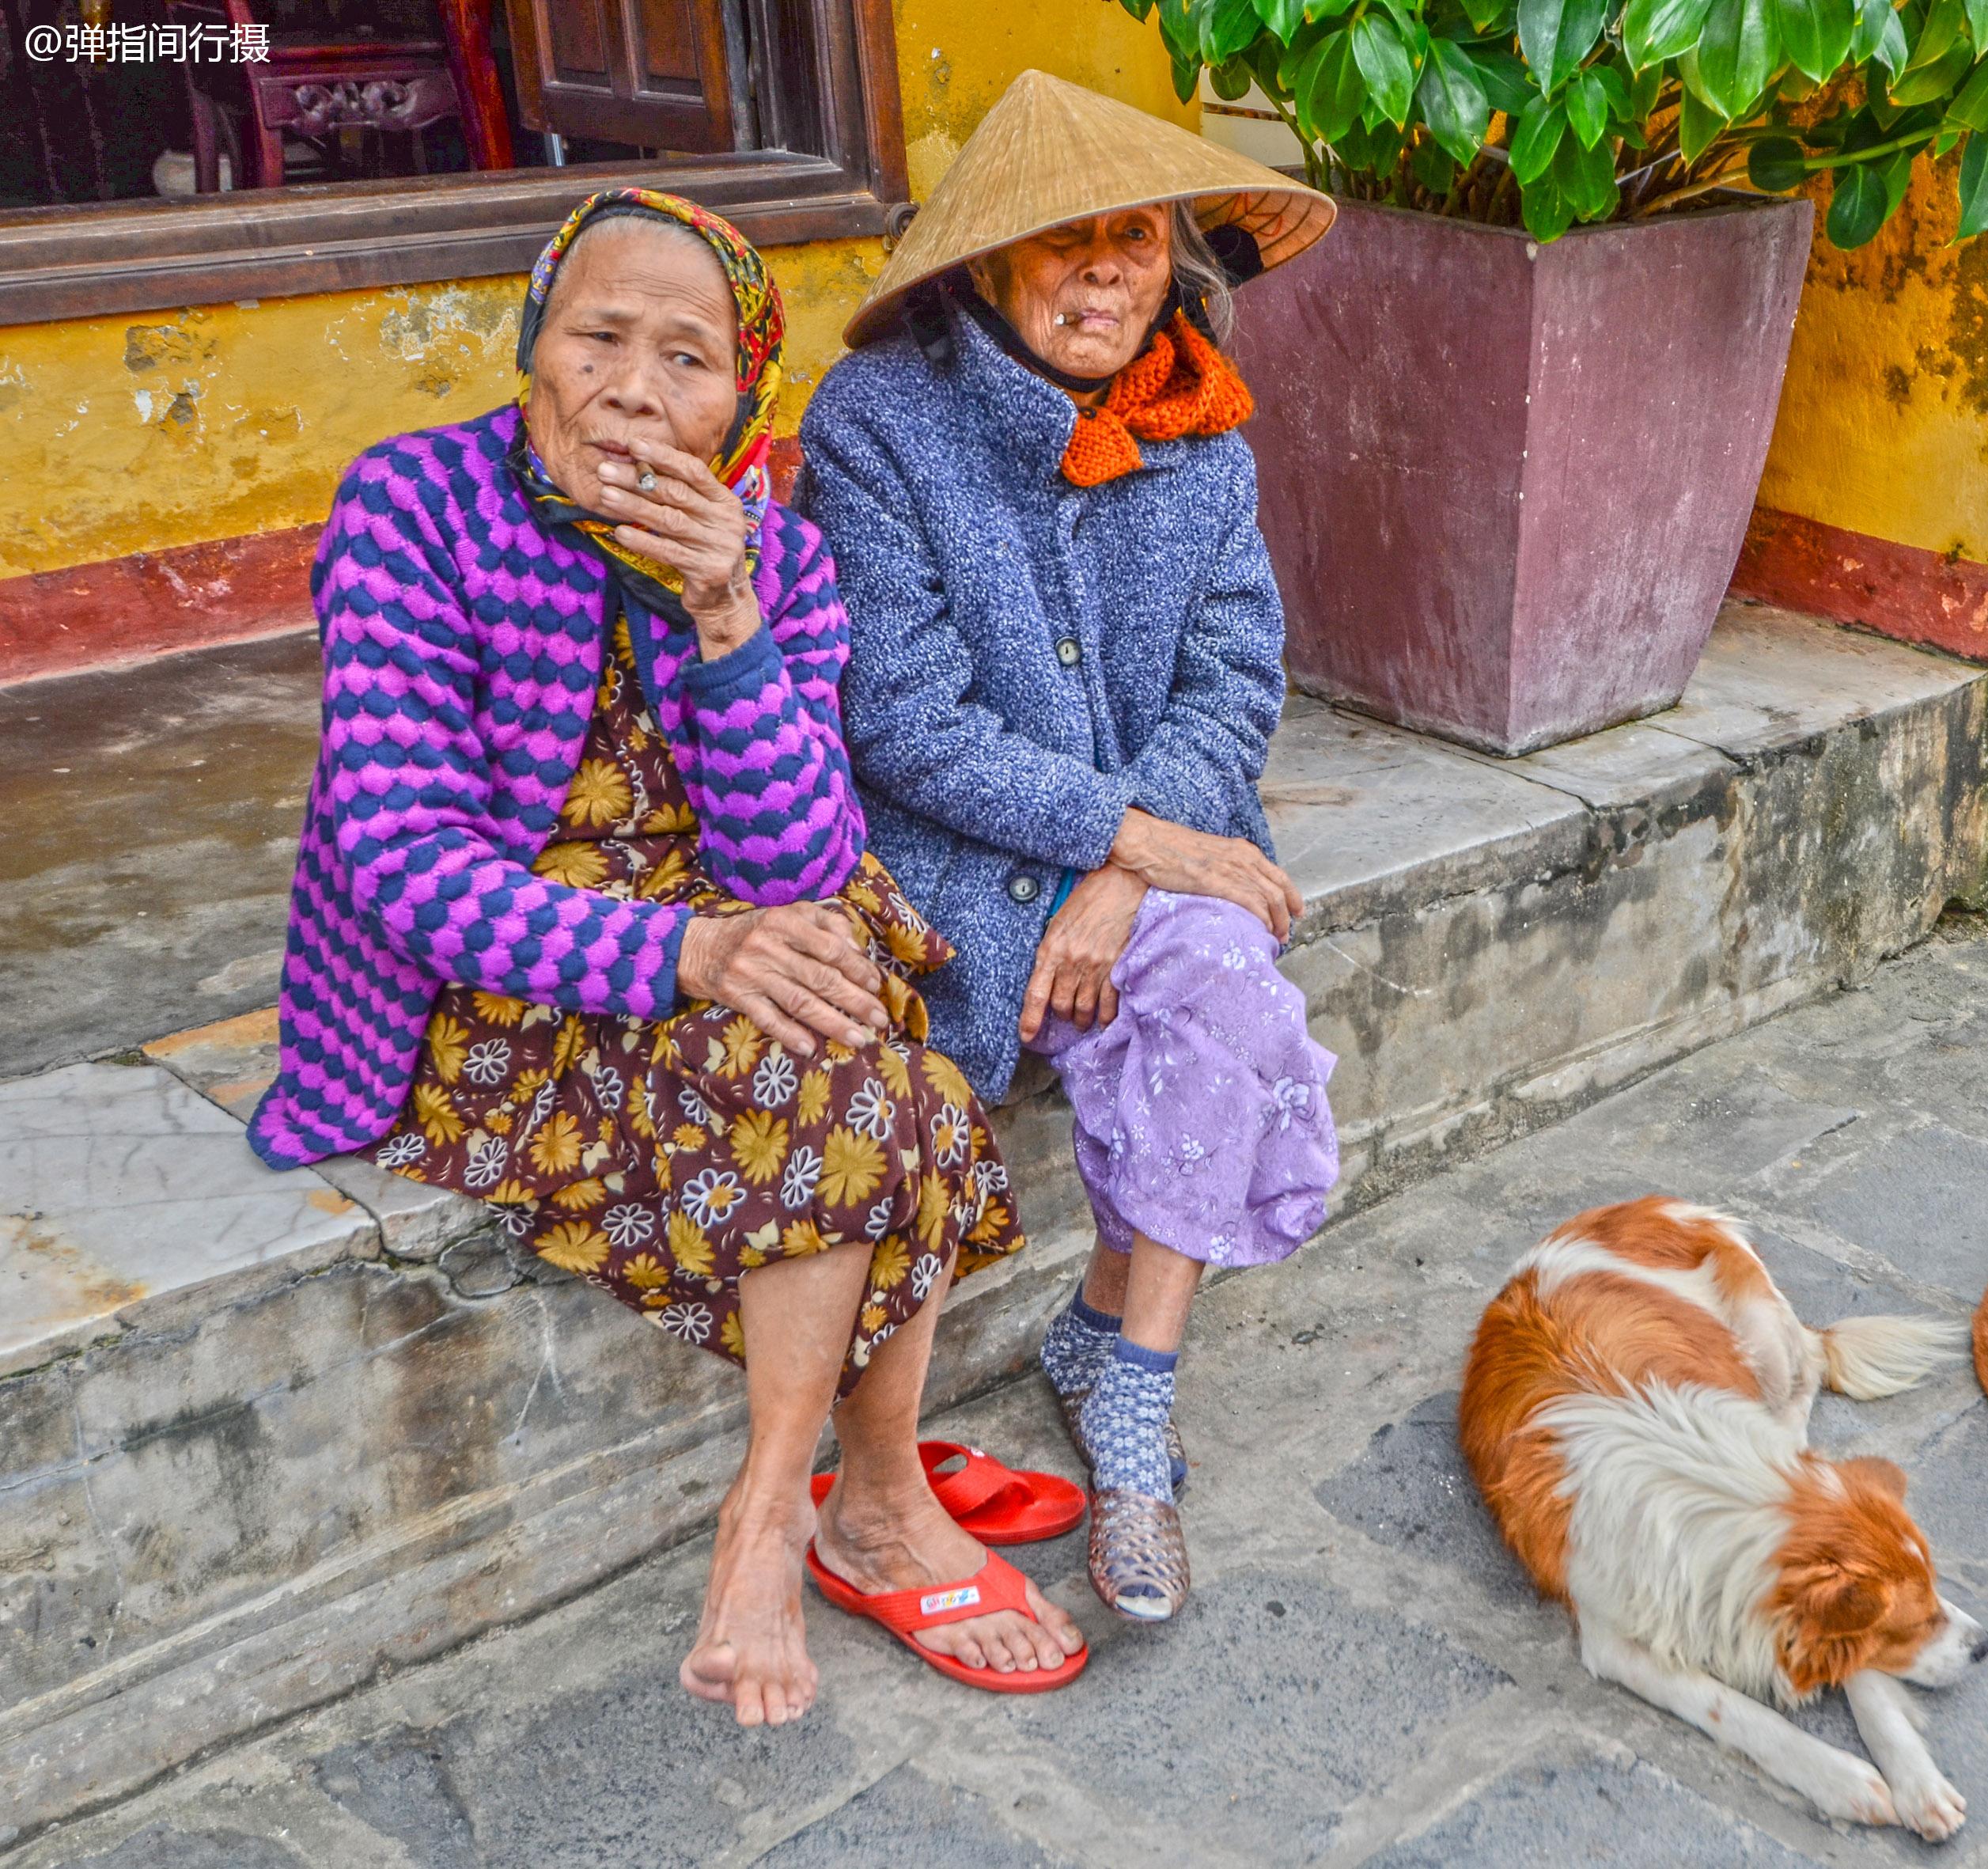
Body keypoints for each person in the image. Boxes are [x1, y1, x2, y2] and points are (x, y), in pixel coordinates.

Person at [246, 188, 1084, 1724]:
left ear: (741, 395)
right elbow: (405, 860)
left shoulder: (775, 553)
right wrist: (695, 957)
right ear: (533, 348)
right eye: (598, 337)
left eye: (686, 358)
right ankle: (862, 1492)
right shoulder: (410, 507)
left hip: (724, 922)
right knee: (889, 1081)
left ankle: (785, 1506)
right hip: (483, 990)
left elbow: (793, 863)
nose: (634, 388)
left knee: (849, 995)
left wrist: (726, 617)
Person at [797, 71, 1342, 1623]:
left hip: (1143, 842)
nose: (1103, 270)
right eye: (1061, 241)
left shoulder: (1201, 434)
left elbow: (1233, 678)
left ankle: (1127, 1384)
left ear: (1176, 258)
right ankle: (1092, 1358)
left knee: (1226, 986)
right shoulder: (881, 423)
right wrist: (1120, 836)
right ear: (985, 262)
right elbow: (900, 718)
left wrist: (1133, 868)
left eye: (1134, 239)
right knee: (973, 1051)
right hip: (956, 852)